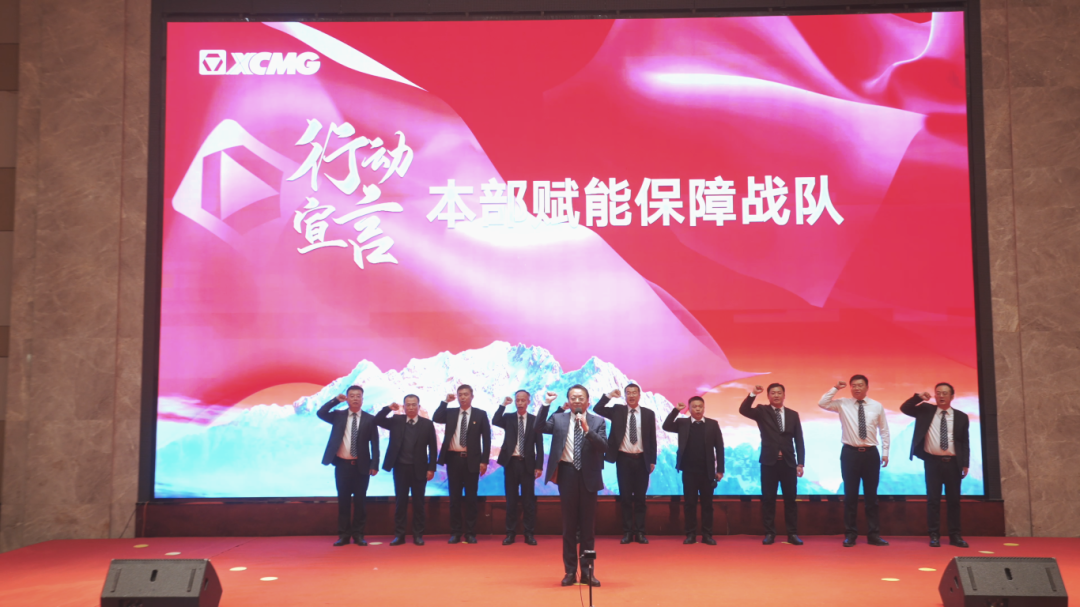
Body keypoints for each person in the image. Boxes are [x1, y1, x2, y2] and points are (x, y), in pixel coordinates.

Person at [540, 385, 607, 587]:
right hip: (567, 474)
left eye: (580, 398)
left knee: (588, 529)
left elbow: (603, 446)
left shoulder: (597, 421)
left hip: (589, 477)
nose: (577, 401)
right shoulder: (558, 419)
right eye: (573, 398)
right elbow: (538, 427)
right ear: (568, 401)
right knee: (569, 527)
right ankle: (570, 571)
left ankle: (587, 572)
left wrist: (587, 431)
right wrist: (546, 404)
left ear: (588, 401)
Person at [819, 375, 891, 547]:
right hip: (850, 454)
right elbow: (822, 403)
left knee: (871, 497)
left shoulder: (876, 406)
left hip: (870, 454)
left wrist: (885, 452)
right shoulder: (843, 404)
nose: (857, 388)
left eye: (860, 385)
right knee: (850, 496)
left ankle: (873, 535)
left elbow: (884, 430)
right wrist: (836, 388)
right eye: (854, 385)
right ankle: (850, 535)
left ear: (867, 387)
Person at [900, 383, 970, 548]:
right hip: (932, 462)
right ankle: (934, 535)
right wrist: (918, 397)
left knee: (954, 501)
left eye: (945, 393)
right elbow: (905, 408)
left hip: (953, 463)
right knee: (933, 500)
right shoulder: (926, 410)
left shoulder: (961, 417)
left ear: (952, 396)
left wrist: (965, 463)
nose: (941, 396)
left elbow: (964, 442)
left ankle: (955, 535)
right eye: (938, 393)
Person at [739, 384, 805, 546]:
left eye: (779, 393)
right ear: (768, 396)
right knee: (768, 499)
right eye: (773, 393)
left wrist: (800, 463)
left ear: (784, 395)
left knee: (790, 500)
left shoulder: (793, 414)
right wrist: (753, 393)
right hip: (769, 463)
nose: (776, 395)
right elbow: (744, 410)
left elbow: (799, 440)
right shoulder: (762, 411)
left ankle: (792, 534)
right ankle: (769, 533)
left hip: (789, 463)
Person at [594, 384, 657, 544]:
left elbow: (652, 438)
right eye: (628, 393)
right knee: (626, 497)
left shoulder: (648, 414)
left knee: (641, 499)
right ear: (625, 396)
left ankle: (640, 532)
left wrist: (652, 460)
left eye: (634, 392)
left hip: (642, 460)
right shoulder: (618, 411)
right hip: (623, 459)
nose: (631, 395)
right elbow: (597, 408)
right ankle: (628, 532)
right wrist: (609, 395)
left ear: (639, 395)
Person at [316, 385, 380, 546]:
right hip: (342, 466)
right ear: (347, 398)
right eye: (352, 396)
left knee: (360, 502)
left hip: (362, 467)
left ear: (362, 399)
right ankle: (343, 535)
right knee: (343, 501)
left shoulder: (370, 419)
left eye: (358, 396)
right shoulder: (338, 416)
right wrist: (335, 401)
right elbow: (321, 413)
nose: (355, 398)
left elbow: (375, 444)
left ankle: (358, 534)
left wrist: (375, 464)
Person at [375, 395, 439, 546]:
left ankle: (418, 535)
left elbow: (433, 448)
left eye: (413, 404)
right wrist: (388, 408)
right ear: (403, 407)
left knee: (419, 503)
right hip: (400, 468)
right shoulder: (396, 421)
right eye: (408, 405)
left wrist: (431, 468)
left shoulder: (427, 424)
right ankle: (399, 535)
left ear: (419, 407)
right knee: (400, 502)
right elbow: (377, 420)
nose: (411, 407)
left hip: (420, 469)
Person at [433, 384, 492, 544]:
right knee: (455, 498)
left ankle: (470, 533)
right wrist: (445, 402)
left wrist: (484, 461)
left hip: (472, 460)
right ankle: (456, 532)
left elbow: (487, 440)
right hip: (453, 459)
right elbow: (436, 418)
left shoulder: (480, 414)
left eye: (466, 394)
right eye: (460, 394)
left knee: (471, 499)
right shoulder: (451, 413)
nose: (463, 397)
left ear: (472, 396)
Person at [662, 396, 724, 545]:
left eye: (700, 406)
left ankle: (707, 535)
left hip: (707, 472)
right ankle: (690, 534)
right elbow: (666, 426)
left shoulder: (712, 424)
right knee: (690, 504)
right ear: (689, 409)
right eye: (694, 406)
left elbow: (719, 448)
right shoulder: (682, 423)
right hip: (689, 471)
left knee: (707, 505)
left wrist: (720, 470)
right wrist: (676, 410)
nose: (697, 409)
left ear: (704, 408)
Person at [493, 390, 551, 545]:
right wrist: (503, 405)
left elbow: (539, 445)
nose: (520, 403)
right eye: (517, 400)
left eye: (523, 400)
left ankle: (529, 533)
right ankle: (510, 533)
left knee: (528, 501)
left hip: (527, 465)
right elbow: (495, 420)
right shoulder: (508, 418)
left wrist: (539, 466)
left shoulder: (534, 420)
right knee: (511, 500)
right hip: (511, 463)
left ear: (528, 402)